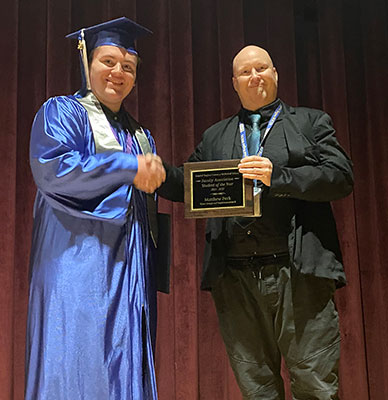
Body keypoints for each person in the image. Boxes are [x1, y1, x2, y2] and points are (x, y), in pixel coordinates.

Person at [158, 45, 353, 399]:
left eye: (261, 68)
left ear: (275, 73)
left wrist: (278, 176)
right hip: (234, 279)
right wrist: (156, 174)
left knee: (316, 386)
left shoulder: (310, 122)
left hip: (298, 274)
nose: (254, 77)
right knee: (257, 390)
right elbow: (188, 187)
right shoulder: (215, 136)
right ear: (234, 82)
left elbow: (340, 177)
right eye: (245, 72)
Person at [26, 17, 167, 399]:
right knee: (78, 365)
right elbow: (55, 171)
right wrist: (128, 166)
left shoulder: (139, 134)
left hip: (130, 272)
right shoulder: (62, 113)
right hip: (79, 268)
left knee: (125, 366)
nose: (118, 72)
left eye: (128, 67)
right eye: (108, 61)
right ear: (88, 63)